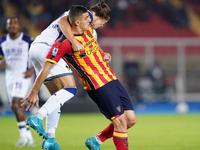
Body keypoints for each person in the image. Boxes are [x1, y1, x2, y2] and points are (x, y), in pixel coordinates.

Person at [22, 5, 137, 150]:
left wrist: (103, 54)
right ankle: (38, 116)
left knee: (130, 120)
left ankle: (54, 138)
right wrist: (34, 91)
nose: (89, 21)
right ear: (78, 21)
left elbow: (93, 46)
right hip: (97, 84)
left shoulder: (89, 31)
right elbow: (63, 21)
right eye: (87, 18)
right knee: (70, 89)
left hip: (111, 78)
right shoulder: (67, 40)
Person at [0, 17, 35, 147]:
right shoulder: (2, 42)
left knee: (16, 103)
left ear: (19, 26)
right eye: (10, 24)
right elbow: (1, 60)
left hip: (23, 76)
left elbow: (38, 56)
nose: (13, 26)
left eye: (15, 23)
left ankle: (24, 137)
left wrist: (31, 70)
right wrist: (1, 63)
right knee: (15, 106)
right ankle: (28, 138)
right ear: (7, 27)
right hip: (10, 76)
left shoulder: (27, 40)